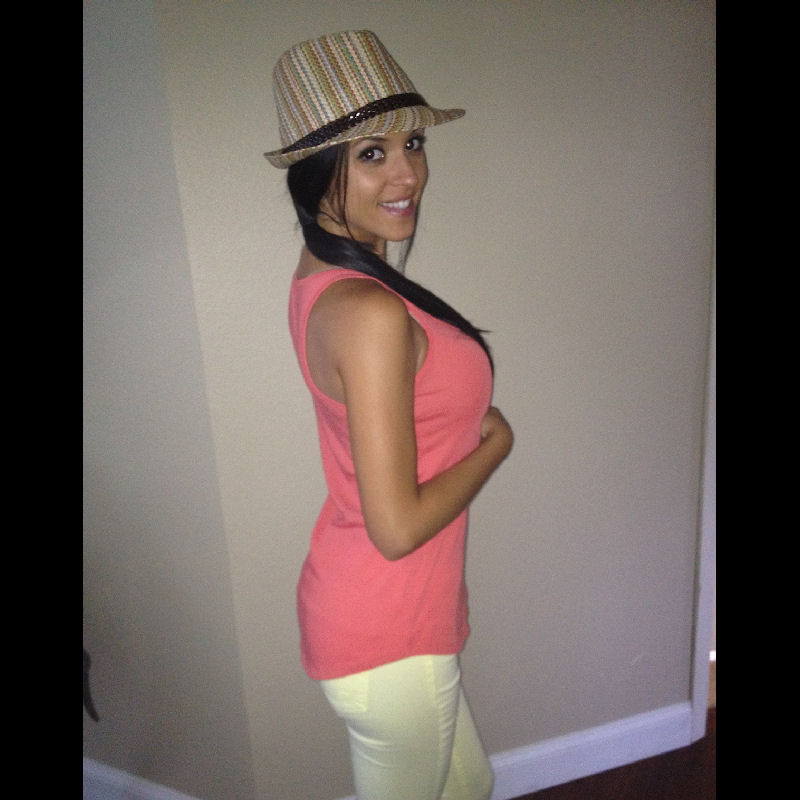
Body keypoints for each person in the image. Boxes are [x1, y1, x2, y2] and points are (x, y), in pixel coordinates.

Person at [264, 30, 513, 800]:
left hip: (390, 617)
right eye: (372, 153)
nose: (408, 173)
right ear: (316, 172)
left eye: (413, 143)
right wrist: (495, 444)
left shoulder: (328, 280)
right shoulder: (366, 310)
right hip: (389, 632)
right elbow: (397, 528)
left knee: (469, 787)